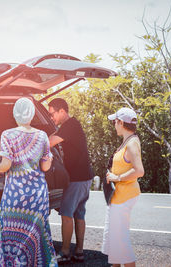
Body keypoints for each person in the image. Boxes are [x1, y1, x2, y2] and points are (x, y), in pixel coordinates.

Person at [0, 97, 58, 267]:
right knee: (36, 234)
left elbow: (6, 164)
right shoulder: (42, 136)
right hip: (37, 196)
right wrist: (48, 157)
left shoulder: (7, 134)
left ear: (15, 114)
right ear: (33, 114)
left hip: (15, 195)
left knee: (11, 233)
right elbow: (45, 167)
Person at [48, 98, 93, 264]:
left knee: (67, 215)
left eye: (52, 113)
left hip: (76, 179)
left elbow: (49, 142)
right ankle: (79, 252)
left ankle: (65, 253)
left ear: (62, 111)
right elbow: (54, 135)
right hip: (85, 177)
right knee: (79, 214)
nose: (51, 117)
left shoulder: (69, 126)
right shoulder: (71, 125)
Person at [102, 107, 145, 267]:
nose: (114, 124)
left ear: (121, 123)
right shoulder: (128, 140)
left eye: (115, 122)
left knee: (121, 241)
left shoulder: (132, 143)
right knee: (115, 241)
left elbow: (139, 171)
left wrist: (117, 177)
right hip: (119, 196)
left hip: (124, 197)